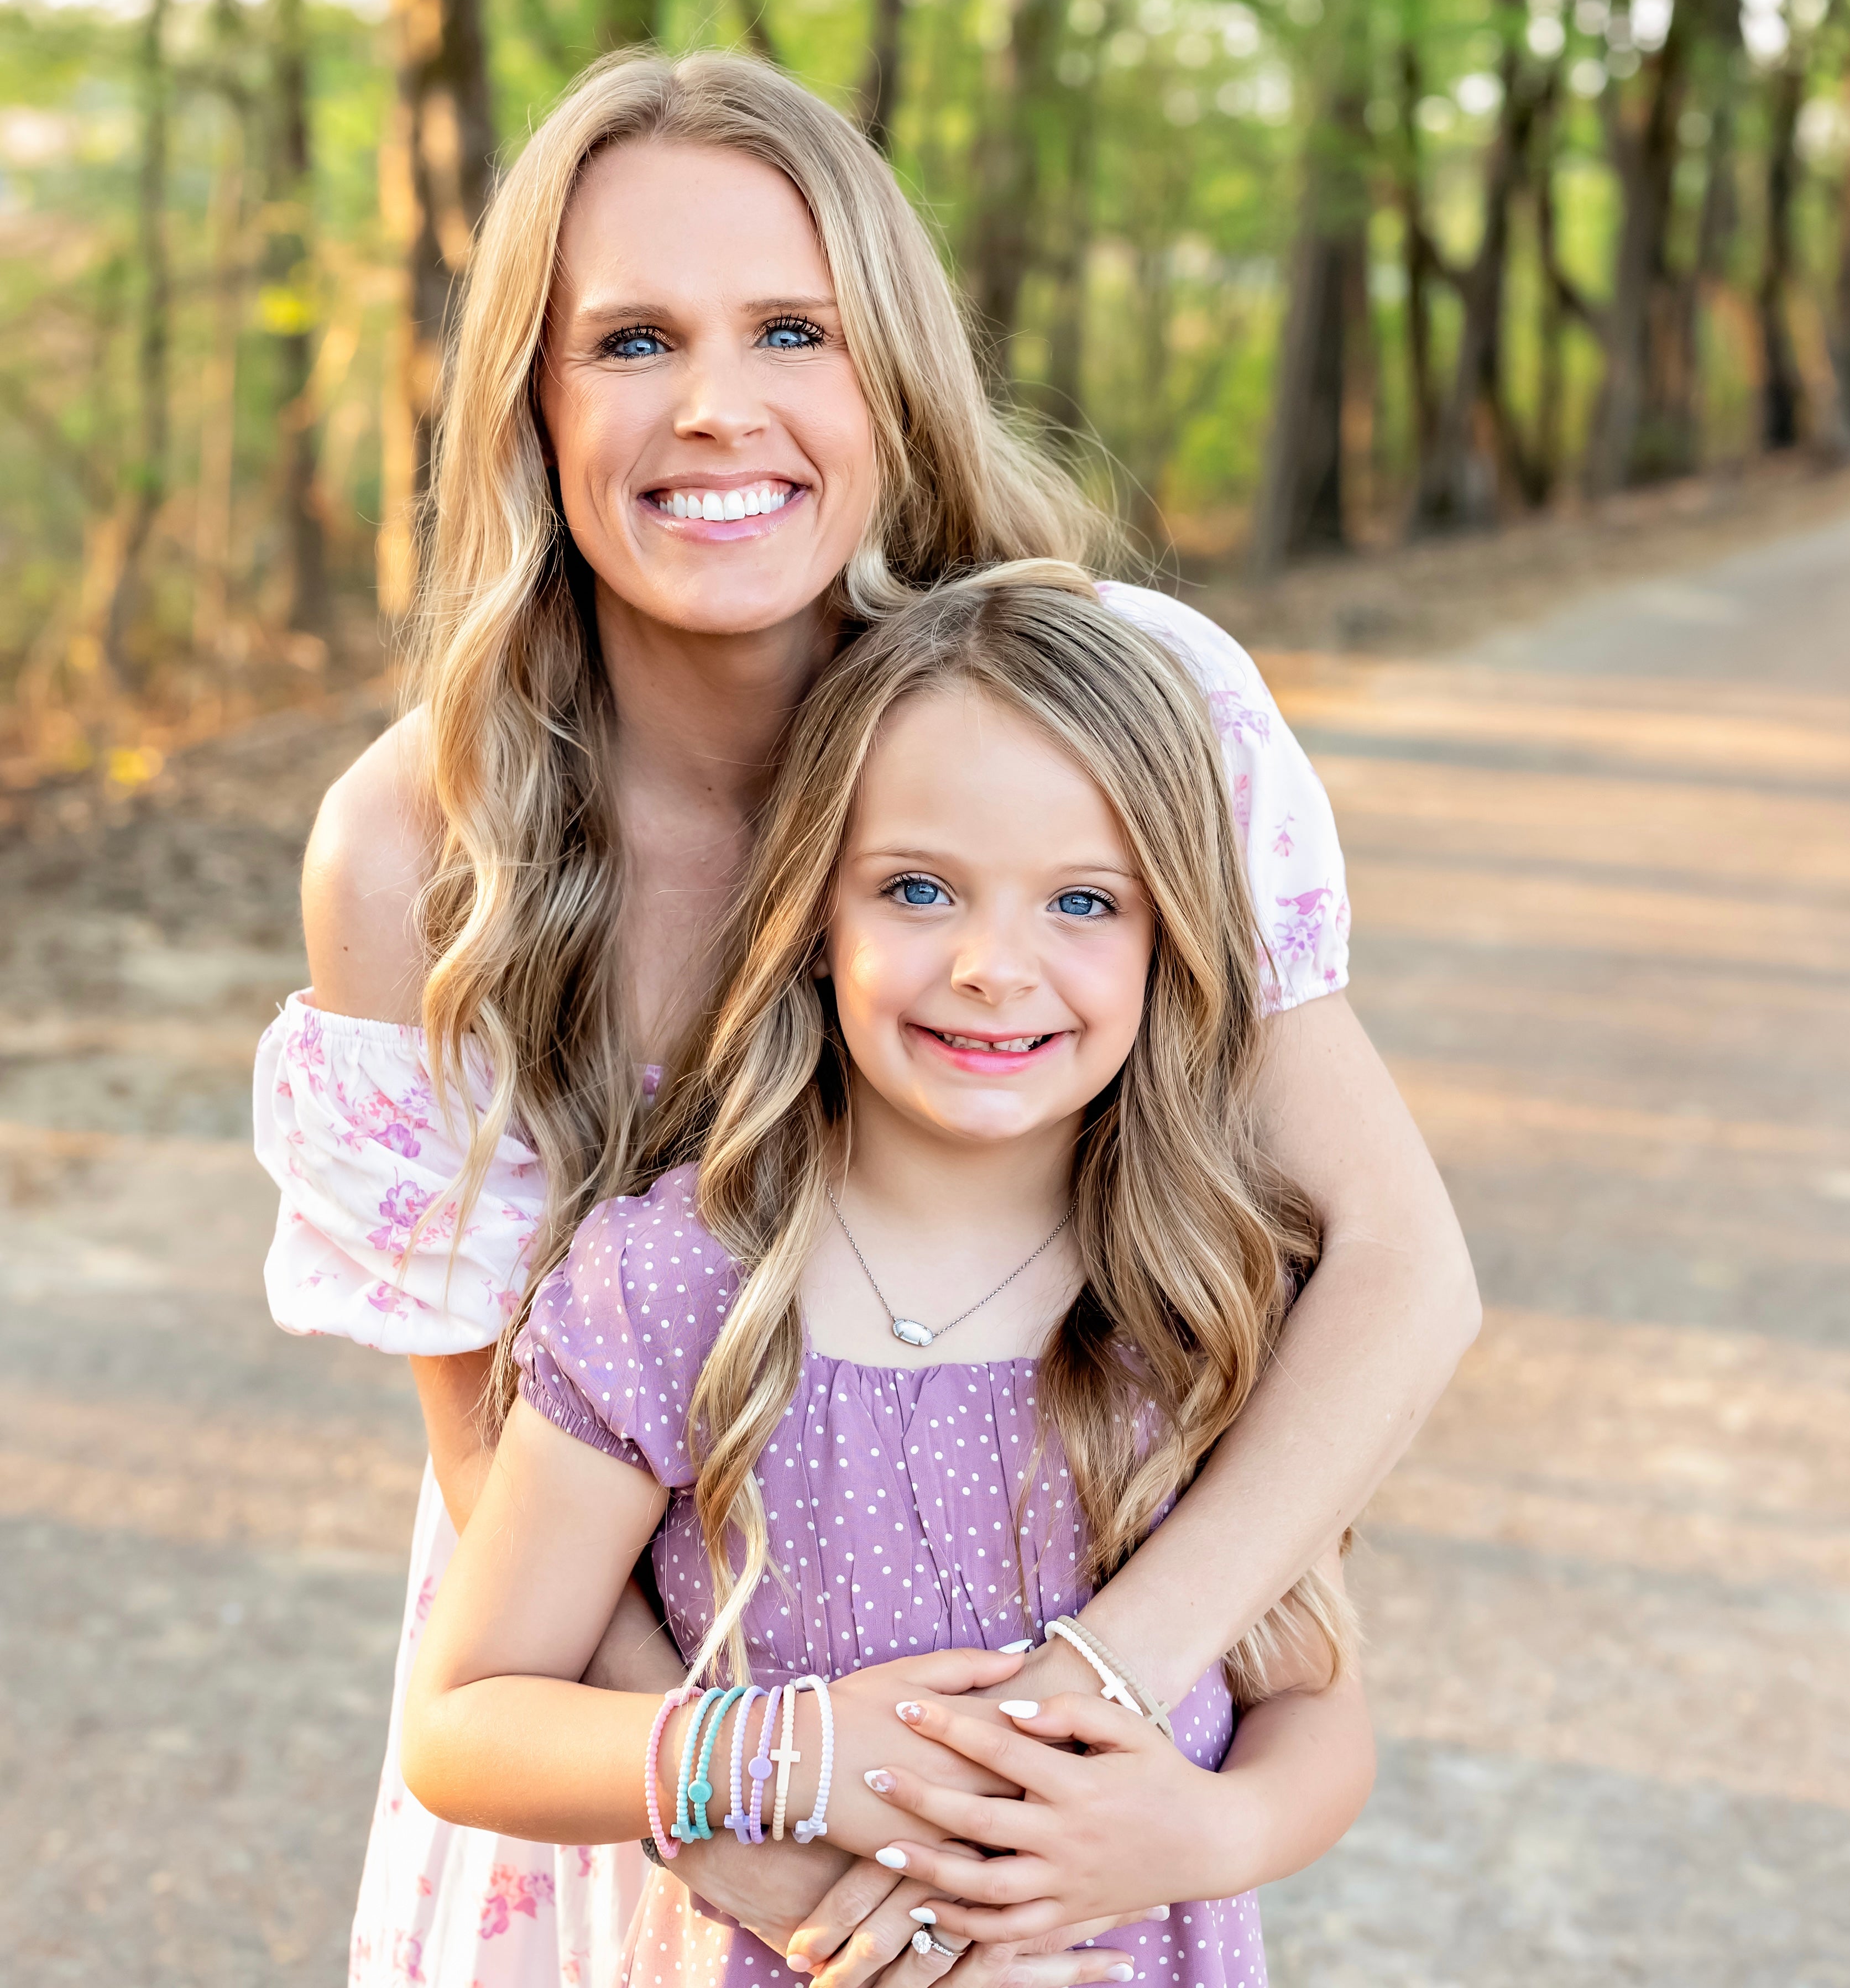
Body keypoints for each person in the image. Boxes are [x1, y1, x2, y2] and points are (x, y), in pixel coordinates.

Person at [251, 49, 1476, 1988]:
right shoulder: (425, 841)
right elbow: (493, 1434)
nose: (713, 405)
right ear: (529, 399)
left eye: (790, 328)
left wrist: (1084, 1724)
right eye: (631, 339)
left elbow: (1400, 1266)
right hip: (640, 1758)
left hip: (1050, 1763)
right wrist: (762, 1839)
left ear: (890, 370)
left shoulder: (1121, 711)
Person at [402, 566, 1378, 1988]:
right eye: (919, 888)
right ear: (813, 918)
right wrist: (787, 1755)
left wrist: (1202, 1838)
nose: (995, 965)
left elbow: (1317, 1710)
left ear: (1175, 939)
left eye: (1084, 903)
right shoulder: (675, 1289)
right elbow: (468, 1721)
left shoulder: (1201, 1299)